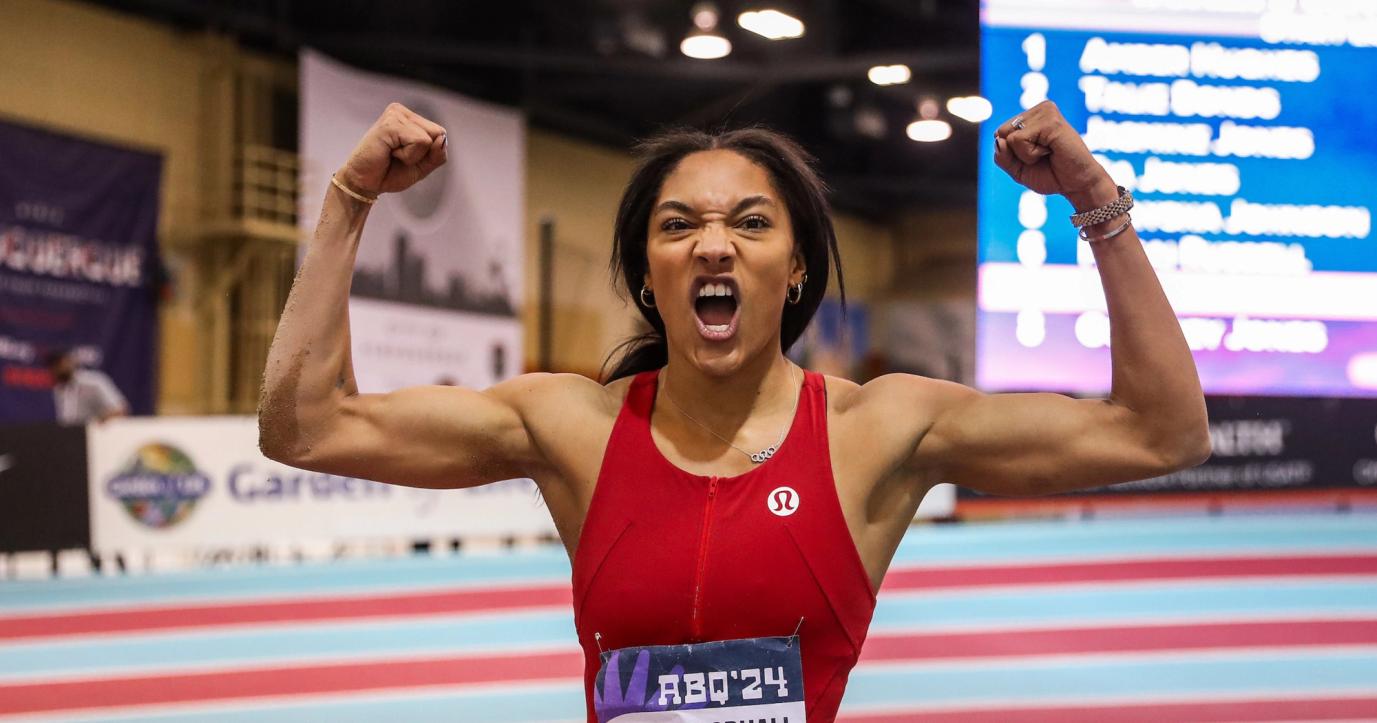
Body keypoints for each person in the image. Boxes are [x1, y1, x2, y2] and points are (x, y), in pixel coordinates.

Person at [258, 101, 1210, 722]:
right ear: (646, 273)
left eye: (750, 223)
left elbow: (1158, 431)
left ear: (794, 269)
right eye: (679, 226)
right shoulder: (571, 429)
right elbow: (307, 426)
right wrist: (348, 200)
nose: (713, 244)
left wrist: (1093, 198)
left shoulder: (876, 431)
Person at [46, 349, 128, 425]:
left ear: (70, 361)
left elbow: (119, 409)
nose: (58, 369)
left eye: (60, 363)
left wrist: (95, 423)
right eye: (53, 366)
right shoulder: (59, 389)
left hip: (95, 434)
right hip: (70, 436)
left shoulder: (93, 382)